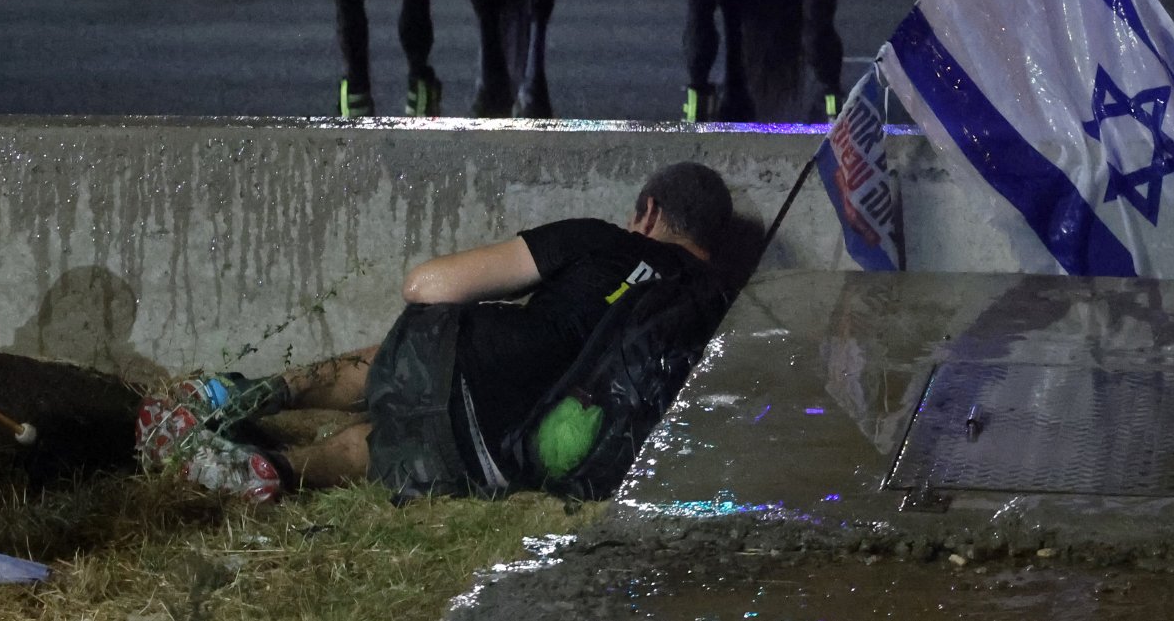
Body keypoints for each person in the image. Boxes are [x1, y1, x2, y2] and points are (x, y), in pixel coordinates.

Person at [135, 162, 764, 502]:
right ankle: (276, 471)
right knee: (385, 447)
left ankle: (229, 397)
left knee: (425, 335)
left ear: (648, 212)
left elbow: (426, 285)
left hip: (468, 362)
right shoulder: (717, 310)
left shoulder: (604, 241)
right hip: (514, 456)